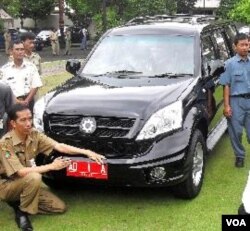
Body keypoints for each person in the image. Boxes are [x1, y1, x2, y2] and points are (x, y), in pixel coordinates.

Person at [0, 104, 105, 231]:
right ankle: (22, 212)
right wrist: (52, 166)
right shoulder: (5, 144)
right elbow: (21, 172)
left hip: (28, 184)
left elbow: (59, 146)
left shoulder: (34, 134)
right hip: (7, 185)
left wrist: (87, 152)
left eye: (30, 118)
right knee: (34, 177)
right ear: (13, 123)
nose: (28, 123)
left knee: (59, 207)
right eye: (23, 120)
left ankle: (19, 202)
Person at [219, 33, 250, 168]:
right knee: (235, 131)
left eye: (247, 44)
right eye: (242, 45)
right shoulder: (229, 64)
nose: (245, 47)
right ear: (235, 46)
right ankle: (239, 156)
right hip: (236, 101)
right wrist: (226, 106)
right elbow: (226, 85)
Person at [0, 39, 43, 113]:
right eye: (17, 49)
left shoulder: (31, 67)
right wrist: (16, 101)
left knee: (29, 124)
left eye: (22, 49)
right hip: (11, 103)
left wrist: (27, 101)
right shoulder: (4, 70)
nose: (20, 52)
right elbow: (3, 89)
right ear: (11, 51)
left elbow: (36, 85)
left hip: (28, 102)